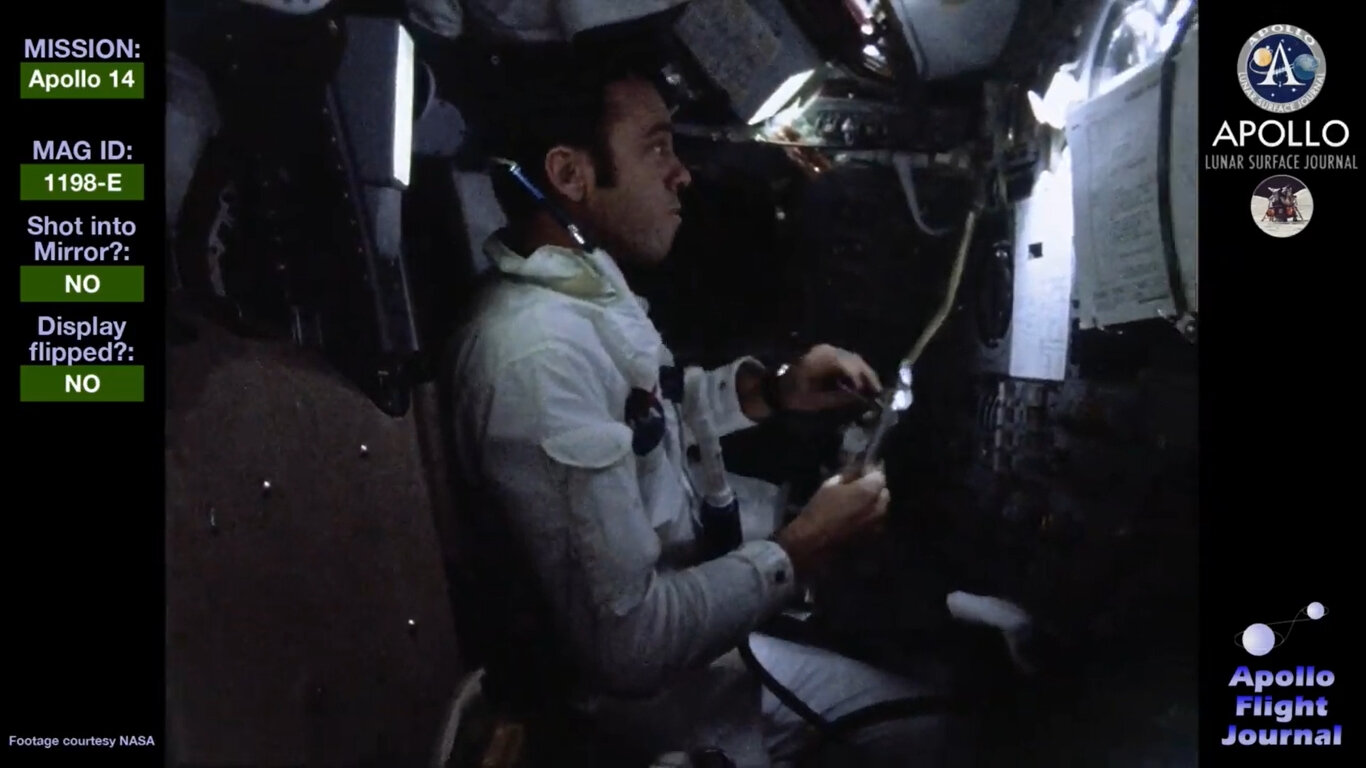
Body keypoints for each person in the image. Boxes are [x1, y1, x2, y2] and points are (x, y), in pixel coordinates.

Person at [444, 52, 958, 767]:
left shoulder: (577, 296)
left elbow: (648, 419)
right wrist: (800, 547)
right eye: (656, 148)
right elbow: (628, 647)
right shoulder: (538, 357)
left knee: (929, 726)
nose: (681, 173)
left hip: (698, 677)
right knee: (940, 734)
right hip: (644, 722)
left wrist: (775, 390)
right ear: (569, 174)